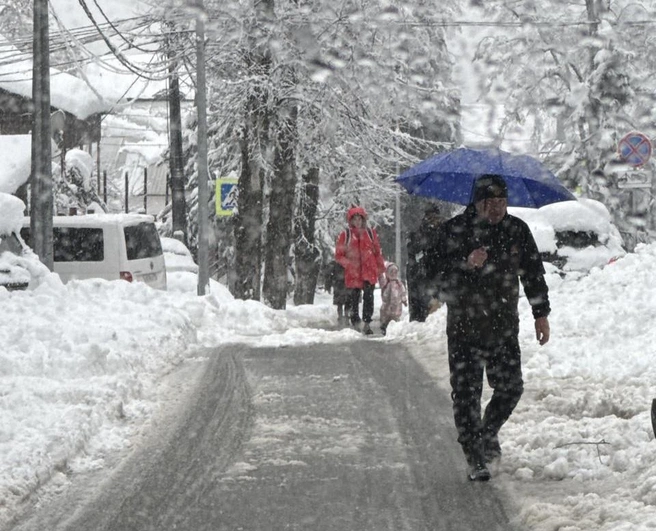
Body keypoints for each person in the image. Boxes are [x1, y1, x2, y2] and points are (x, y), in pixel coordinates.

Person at [425, 174, 551, 482]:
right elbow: (431, 277)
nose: (497, 209)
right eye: (490, 202)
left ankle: (487, 431)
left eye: (502, 202)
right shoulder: (453, 230)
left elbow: (532, 272)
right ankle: (474, 456)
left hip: (503, 325)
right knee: (467, 393)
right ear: (476, 202)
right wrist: (465, 264)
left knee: (511, 387)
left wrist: (541, 313)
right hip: (464, 327)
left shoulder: (516, 230)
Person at [335, 206, 386, 335]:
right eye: (355, 219)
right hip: (353, 273)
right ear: (350, 221)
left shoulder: (370, 233)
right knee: (353, 299)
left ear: (364, 220)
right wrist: (348, 264)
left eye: (360, 219)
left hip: (369, 271)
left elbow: (377, 252)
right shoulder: (345, 235)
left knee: (369, 298)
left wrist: (380, 268)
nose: (358, 222)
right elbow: (339, 255)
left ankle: (367, 323)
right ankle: (356, 321)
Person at [406, 204, 443, 322]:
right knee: (421, 305)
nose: (433, 220)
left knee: (429, 304)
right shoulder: (420, 233)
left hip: (432, 273)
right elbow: (413, 249)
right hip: (421, 274)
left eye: (435, 217)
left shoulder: (443, 231)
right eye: (430, 217)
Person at [379, 262, 407, 335]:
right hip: (387, 304)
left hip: (397, 304)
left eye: (395, 272)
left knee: (395, 316)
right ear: (387, 273)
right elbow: (382, 285)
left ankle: (394, 328)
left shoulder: (399, 283)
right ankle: (384, 326)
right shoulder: (386, 283)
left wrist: (404, 299)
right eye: (391, 272)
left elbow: (403, 291)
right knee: (385, 316)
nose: (393, 274)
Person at [324, 260, 349, 325]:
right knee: (346, 302)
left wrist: (328, 285)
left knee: (341, 303)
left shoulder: (336, 262)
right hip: (343, 283)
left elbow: (328, 274)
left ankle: (341, 317)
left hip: (339, 284)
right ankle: (345, 317)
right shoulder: (348, 261)